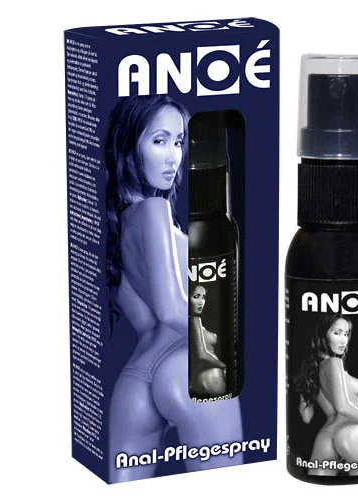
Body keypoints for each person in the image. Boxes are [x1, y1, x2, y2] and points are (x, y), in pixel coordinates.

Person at [105, 95, 242, 483]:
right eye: (159, 140)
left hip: (136, 378)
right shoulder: (155, 211)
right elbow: (169, 309)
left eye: (179, 142)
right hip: (188, 362)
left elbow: (143, 317)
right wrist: (225, 345)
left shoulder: (116, 229)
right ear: (128, 145)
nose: (173, 157)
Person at [294, 313, 358, 476]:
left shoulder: (312, 372)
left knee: (315, 485)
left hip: (326, 434)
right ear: (323, 335)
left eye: (346, 334)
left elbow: (306, 417)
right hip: (353, 428)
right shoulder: (334, 363)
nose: (343, 340)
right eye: (337, 333)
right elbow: (342, 407)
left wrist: (304, 390)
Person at [188, 284, 227, 396]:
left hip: (205, 378)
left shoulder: (195, 322)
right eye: (196, 296)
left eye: (203, 297)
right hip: (209, 377)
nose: (201, 302)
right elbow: (202, 355)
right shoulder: (194, 320)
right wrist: (223, 366)